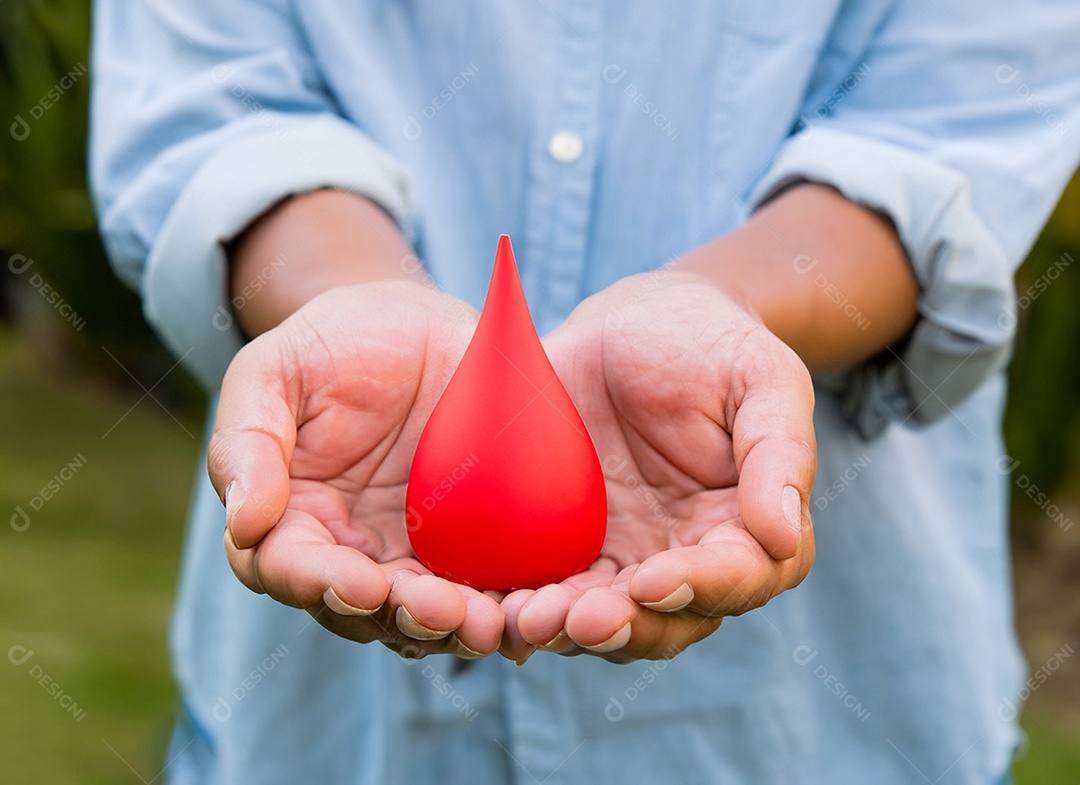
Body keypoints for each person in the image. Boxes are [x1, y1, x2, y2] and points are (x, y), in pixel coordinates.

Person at [89, 2, 1080, 783]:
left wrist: (719, 308)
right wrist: (352, 294)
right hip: (326, 738)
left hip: (832, 728)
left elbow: (946, 134)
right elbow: (209, 106)